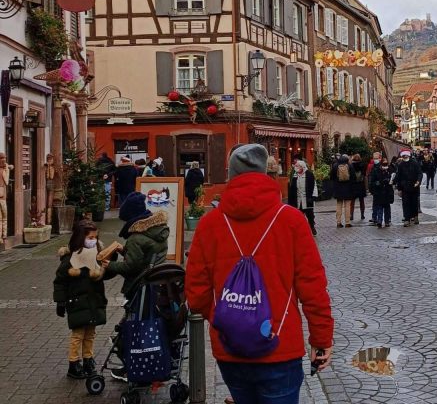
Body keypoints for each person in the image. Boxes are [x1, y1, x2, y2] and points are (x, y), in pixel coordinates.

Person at [185, 144, 333, 404]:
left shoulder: (209, 224)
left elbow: (196, 294)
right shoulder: (292, 220)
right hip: (280, 346)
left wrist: (229, 319)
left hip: (229, 348)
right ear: (266, 173)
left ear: (230, 174)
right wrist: (321, 338)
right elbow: (313, 287)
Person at [101, 191, 170, 382]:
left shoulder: (136, 238)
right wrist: (125, 251)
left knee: (133, 326)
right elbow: (144, 258)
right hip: (154, 285)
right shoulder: (158, 231)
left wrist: (109, 265)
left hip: (140, 287)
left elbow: (130, 267)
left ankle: (132, 366)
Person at [53, 220, 108, 379]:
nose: (93, 240)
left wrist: (108, 265)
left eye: (95, 237)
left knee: (90, 333)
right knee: (78, 335)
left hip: (93, 301)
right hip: (77, 302)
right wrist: (60, 301)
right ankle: (74, 363)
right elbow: (60, 281)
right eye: (90, 237)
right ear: (80, 238)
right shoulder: (70, 259)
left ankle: (88, 360)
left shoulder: (96, 255)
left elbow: (105, 276)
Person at [288, 160, 317, 236]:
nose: (296, 167)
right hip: (298, 199)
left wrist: (313, 197)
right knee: (299, 215)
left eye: (298, 166)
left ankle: (312, 227)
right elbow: (291, 188)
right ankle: (300, 230)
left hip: (307, 199)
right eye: (296, 166)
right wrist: (291, 199)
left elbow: (314, 186)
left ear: (302, 167)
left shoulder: (309, 174)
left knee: (310, 215)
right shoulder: (295, 175)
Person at [394, 150, 422, 227]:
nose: (405, 156)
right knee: (406, 203)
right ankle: (407, 219)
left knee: (414, 203)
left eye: (406, 155)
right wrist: (399, 189)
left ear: (409, 155)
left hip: (414, 186)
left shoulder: (415, 163)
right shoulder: (401, 165)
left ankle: (415, 216)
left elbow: (420, 173)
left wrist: (418, 181)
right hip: (405, 187)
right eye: (403, 155)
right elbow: (398, 177)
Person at [369, 155, 394, 228]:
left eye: (386, 165)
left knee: (387, 207)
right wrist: (377, 183)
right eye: (383, 165)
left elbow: (394, 179)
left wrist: (390, 180)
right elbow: (372, 181)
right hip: (379, 191)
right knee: (380, 206)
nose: (385, 167)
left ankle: (387, 221)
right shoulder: (376, 170)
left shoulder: (390, 170)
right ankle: (379, 221)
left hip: (387, 191)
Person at [330, 154, 354, 228]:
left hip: (338, 188)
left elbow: (331, 177)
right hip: (348, 188)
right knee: (347, 205)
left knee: (339, 205)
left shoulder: (335, 166)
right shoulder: (349, 165)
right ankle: (347, 222)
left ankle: (338, 222)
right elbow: (353, 177)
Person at [349, 154, 366, 221]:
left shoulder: (351, 165)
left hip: (353, 185)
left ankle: (351, 215)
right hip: (361, 185)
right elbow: (364, 175)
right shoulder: (362, 165)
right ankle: (362, 215)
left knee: (352, 202)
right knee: (361, 201)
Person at [0, 153, 10, 243]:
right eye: (3, 158)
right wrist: (7, 169)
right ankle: (4, 236)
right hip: (2, 198)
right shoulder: (3, 170)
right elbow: (6, 181)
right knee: (4, 217)